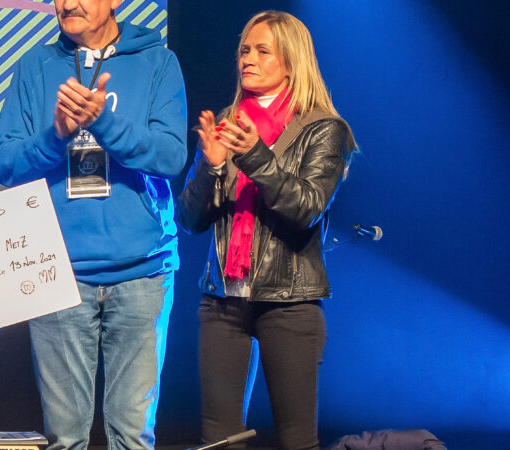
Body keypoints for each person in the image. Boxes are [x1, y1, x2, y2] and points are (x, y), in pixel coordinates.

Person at [0, 0, 188, 447]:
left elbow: (171, 156)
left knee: (132, 437)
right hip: (57, 272)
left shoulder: (157, 62)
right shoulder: (35, 66)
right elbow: (4, 162)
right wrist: (56, 135)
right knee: (65, 439)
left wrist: (104, 123)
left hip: (142, 272)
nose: (68, 3)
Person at [178, 11, 355, 450]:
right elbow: (190, 220)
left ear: (291, 62)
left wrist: (255, 156)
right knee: (220, 441)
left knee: (296, 440)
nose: (248, 60)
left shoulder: (323, 129)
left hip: (289, 302)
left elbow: (305, 208)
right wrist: (210, 166)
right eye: (244, 50)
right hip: (223, 299)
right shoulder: (229, 123)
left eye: (262, 51)